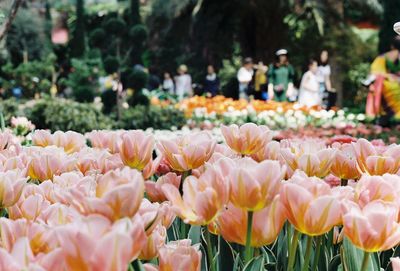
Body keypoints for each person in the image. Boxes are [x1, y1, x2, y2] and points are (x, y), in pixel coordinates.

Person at [366, 36, 400, 123]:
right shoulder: (384, 58)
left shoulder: (383, 57)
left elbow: (374, 72)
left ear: (392, 46)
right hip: (388, 85)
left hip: (387, 86)